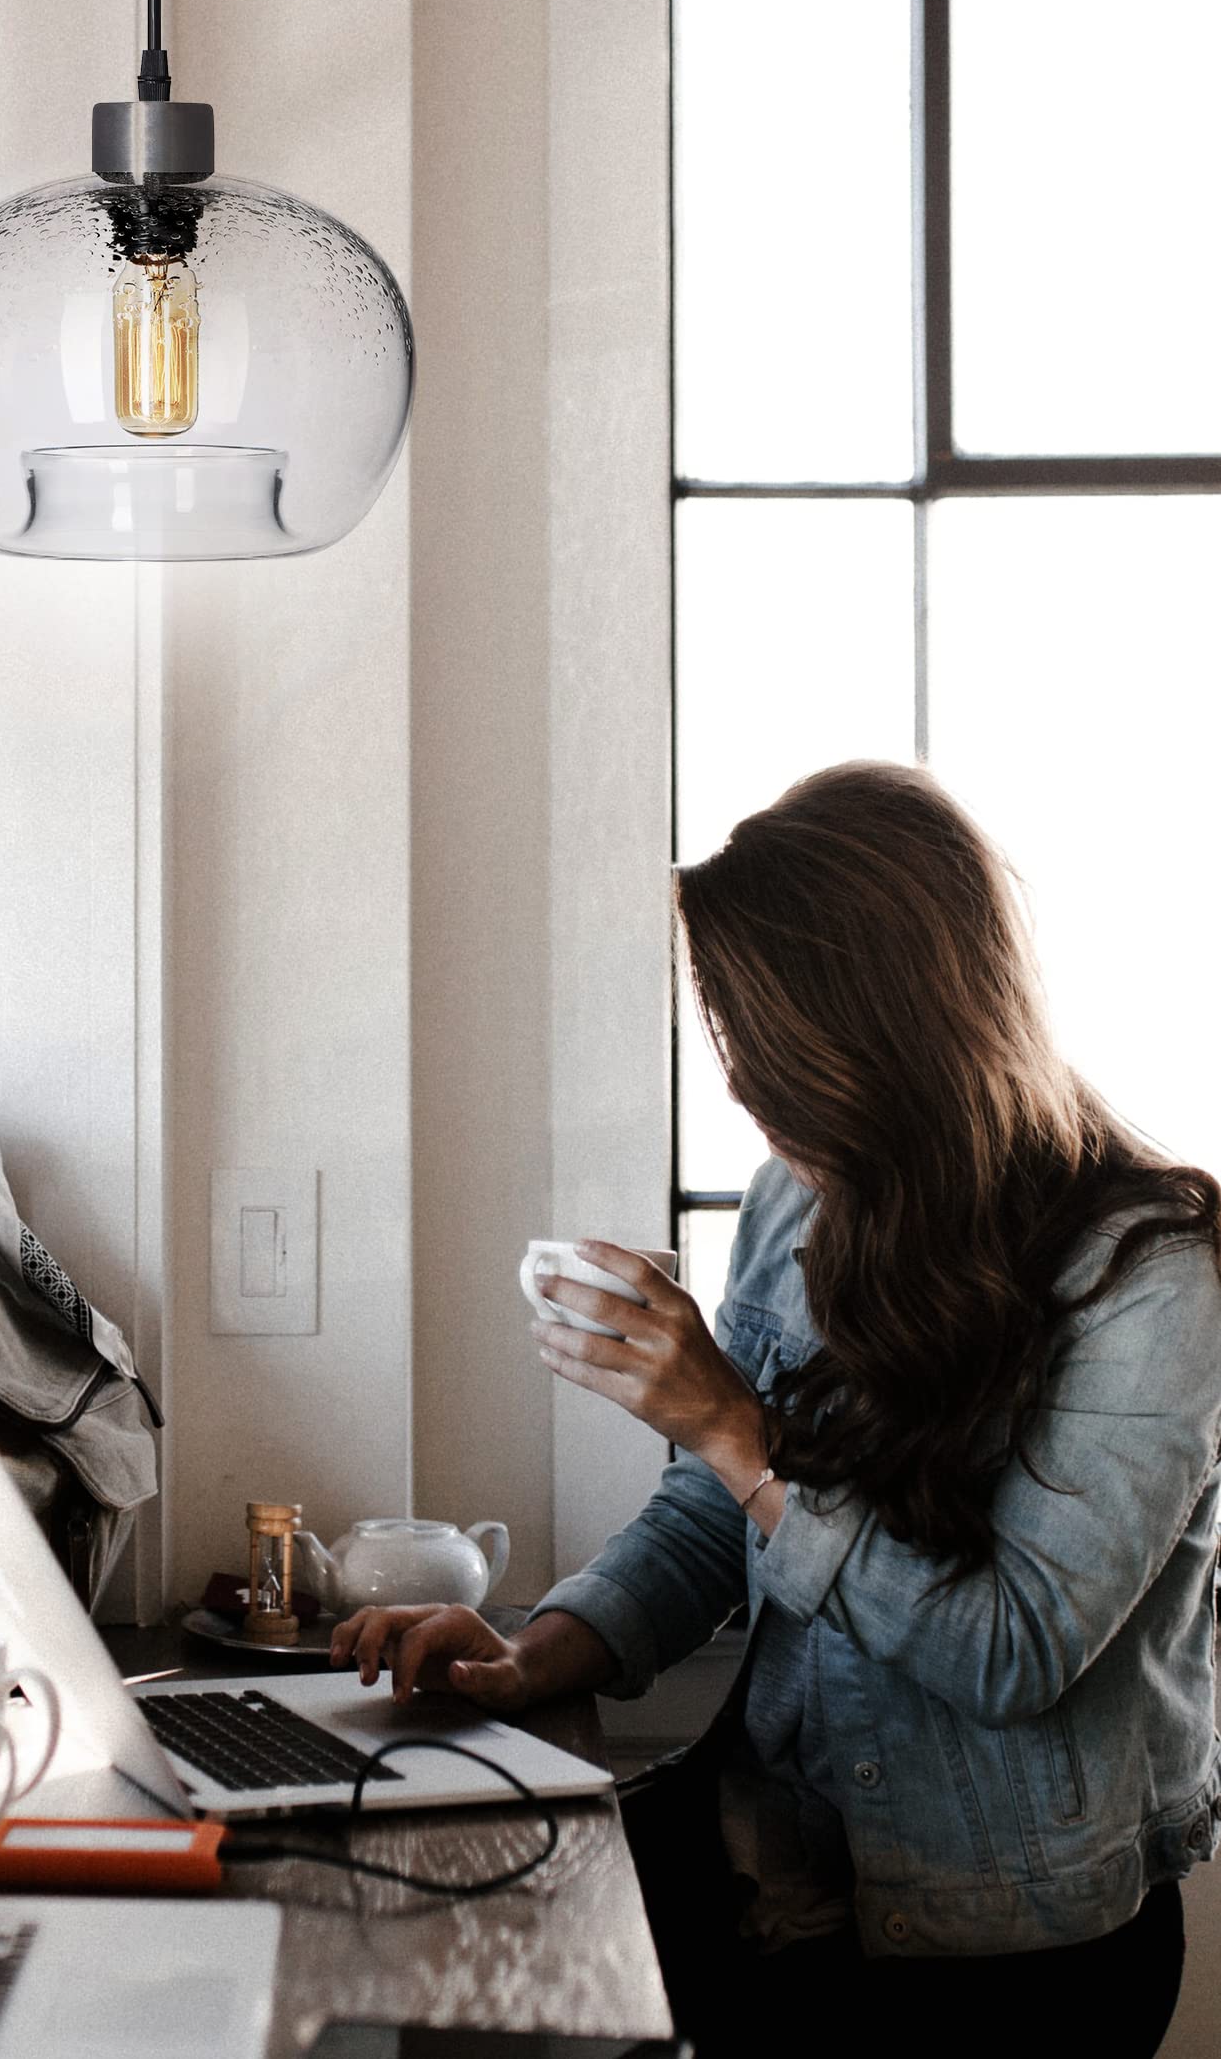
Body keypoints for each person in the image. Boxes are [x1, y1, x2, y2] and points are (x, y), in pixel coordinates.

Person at [332, 762, 1221, 2059]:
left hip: (1007, 1956)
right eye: (732, 1045)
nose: (745, 1090)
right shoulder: (801, 1201)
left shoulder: (1153, 1274)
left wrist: (732, 1426)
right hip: (774, 1879)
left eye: (770, 1053)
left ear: (893, 1032)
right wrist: (540, 1651)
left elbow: (1012, 1649)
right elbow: (712, 1515)